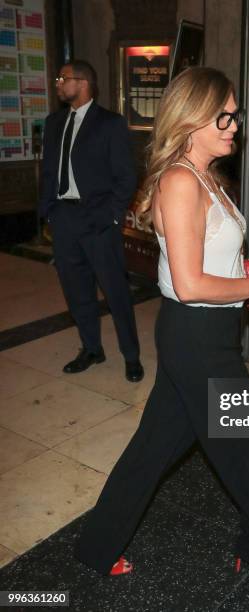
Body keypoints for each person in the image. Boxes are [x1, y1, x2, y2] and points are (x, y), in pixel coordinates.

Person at [75, 67, 249, 581]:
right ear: (191, 117)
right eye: (223, 115)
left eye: (233, 115)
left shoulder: (207, 177)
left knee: (153, 448)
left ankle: (97, 546)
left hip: (209, 329)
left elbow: (217, 270)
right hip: (194, 335)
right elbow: (189, 284)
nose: (233, 125)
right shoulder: (180, 181)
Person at [39, 60, 144, 382]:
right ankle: (92, 349)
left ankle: (131, 355)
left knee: (115, 292)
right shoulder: (54, 121)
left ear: (83, 83)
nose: (58, 83)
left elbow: (127, 176)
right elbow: (47, 170)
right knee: (76, 290)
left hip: (98, 219)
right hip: (64, 218)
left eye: (63, 78)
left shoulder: (110, 123)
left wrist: (111, 216)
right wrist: (48, 211)